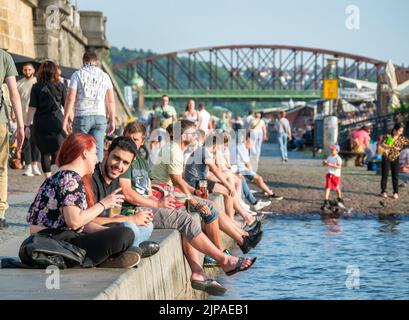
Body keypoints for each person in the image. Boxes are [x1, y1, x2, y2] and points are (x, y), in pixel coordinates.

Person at [119, 121, 257, 295]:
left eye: (137, 140)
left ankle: (206, 266)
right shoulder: (154, 154)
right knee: (198, 212)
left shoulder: (141, 160)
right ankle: (222, 256)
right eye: (130, 138)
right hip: (145, 205)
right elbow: (168, 183)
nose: (133, 143)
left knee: (201, 210)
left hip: (159, 196)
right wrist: (187, 200)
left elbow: (148, 189)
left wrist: (180, 197)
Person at [23, 133, 142, 268]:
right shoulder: (71, 179)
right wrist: (104, 204)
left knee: (120, 229)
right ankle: (107, 258)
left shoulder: (60, 175)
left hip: (59, 237)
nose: (97, 160)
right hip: (58, 242)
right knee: (125, 234)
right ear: (85, 153)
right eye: (94, 154)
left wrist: (105, 231)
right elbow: (74, 222)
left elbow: (82, 224)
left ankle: (122, 254)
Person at [86, 136, 159, 258]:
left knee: (147, 226)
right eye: (116, 158)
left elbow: (114, 216)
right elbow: (86, 222)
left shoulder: (116, 181)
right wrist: (131, 220)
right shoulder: (91, 179)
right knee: (130, 227)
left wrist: (135, 216)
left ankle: (129, 251)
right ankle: (132, 252)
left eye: (125, 163)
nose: (119, 166)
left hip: (109, 233)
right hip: (91, 235)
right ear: (107, 153)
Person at [62, 52, 116, 162]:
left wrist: (65, 119)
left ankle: (81, 176)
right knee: (98, 150)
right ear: (97, 61)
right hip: (100, 117)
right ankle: (97, 176)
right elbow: (110, 101)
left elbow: (71, 99)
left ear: (83, 61)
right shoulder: (105, 76)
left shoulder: (77, 75)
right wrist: (112, 120)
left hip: (82, 116)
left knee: (80, 149)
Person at [25, 61, 66, 179]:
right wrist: (69, 121)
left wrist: (27, 126)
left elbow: (32, 108)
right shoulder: (61, 86)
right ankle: (54, 178)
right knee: (56, 152)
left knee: (44, 152)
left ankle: (48, 179)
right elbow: (66, 105)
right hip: (57, 122)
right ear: (54, 71)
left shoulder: (36, 87)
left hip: (41, 123)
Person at [0, 49, 25, 230]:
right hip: (0, 121)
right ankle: (0, 214)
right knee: (1, 169)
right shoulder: (4, 56)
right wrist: (21, 126)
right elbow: (14, 94)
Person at [17, 63, 41, 177]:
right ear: (22, 70)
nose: (27, 72)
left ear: (33, 70)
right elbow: (15, 100)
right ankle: (28, 166)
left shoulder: (38, 82)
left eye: (29, 69)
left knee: (35, 142)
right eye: (25, 70)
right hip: (23, 117)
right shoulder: (19, 83)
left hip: (36, 116)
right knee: (25, 142)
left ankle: (35, 164)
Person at [379, 123, 409, 200]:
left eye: (401, 131)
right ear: (395, 130)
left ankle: (395, 192)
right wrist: (391, 146)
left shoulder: (402, 138)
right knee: (385, 175)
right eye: (399, 131)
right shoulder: (390, 137)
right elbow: (383, 145)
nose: (401, 132)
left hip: (396, 158)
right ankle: (383, 191)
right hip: (387, 157)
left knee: (395, 176)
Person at [321, 145, 343, 210]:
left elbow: (339, 167)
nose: (331, 151)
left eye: (333, 150)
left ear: (337, 151)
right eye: (331, 150)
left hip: (336, 175)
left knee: (337, 188)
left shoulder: (338, 158)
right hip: (329, 174)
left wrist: (330, 164)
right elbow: (325, 164)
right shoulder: (330, 157)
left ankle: (339, 198)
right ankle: (326, 200)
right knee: (328, 187)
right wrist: (324, 162)